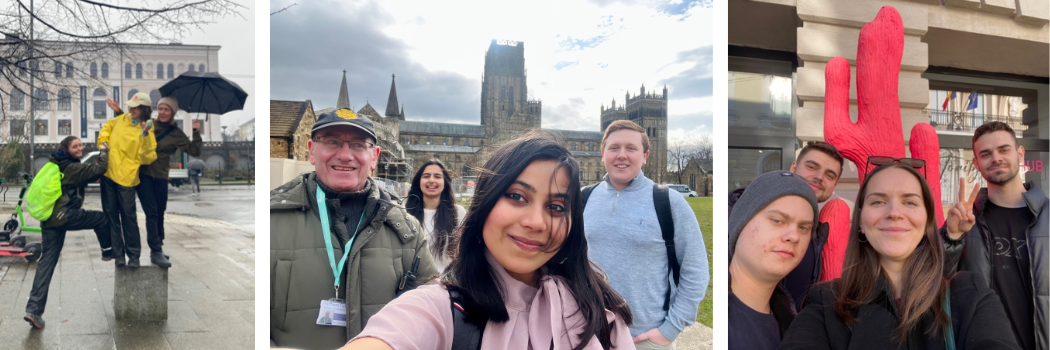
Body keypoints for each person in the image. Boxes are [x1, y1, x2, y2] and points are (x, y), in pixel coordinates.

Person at [341, 130, 634, 350]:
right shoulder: (437, 309)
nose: (535, 222)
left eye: (556, 207)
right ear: (484, 201)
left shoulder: (602, 314)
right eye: (517, 196)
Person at [780, 162, 1019, 349]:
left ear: (926, 220)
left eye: (910, 202)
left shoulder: (971, 297)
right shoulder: (824, 302)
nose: (894, 212)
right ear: (861, 222)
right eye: (878, 201)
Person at [270, 108, 439, 348]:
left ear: (374, 157)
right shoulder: (270, 220)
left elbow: (432, 312)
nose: (345, 155)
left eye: (359, 145)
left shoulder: (407, 229)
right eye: (332, 142)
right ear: (311, 151)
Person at [584, 120, 708, 349]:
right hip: (589, 333)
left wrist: (669, 330)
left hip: (644, 339)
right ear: (602, 154)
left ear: (645, 156)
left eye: (631, 148)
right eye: (614, 148)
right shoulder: (582, 199)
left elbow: (696, 270)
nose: (622, 155)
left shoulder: (669, 202)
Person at [943, 121, 1048, 350]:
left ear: (1020, 154)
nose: (996, 158)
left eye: (1004, 150)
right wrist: (951, 236)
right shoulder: (964, 220)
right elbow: (937, 279)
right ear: (977, 163)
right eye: (986, 154)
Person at [728, 141, 846, 309]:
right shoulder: (737, 214)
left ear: (834, 185)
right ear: (793, 167)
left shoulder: (820, 230)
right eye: (811, 167)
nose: (819, 177)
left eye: (829, 175)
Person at [24, 136, 111, 329]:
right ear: (67, 148)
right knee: (101, 219)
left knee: (46, 263)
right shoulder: (70, 168)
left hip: (49, 219)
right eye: (75, 146)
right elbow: (99, 169)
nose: (79, 148)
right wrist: (104, 151)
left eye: (80, 145)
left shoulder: (55, 163)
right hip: (65, 216)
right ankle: (108, 251)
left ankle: (33, 311)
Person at [108, 96, 202, 268]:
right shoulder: (149, 123)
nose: (163, 112)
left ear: (173, 112)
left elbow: (195, 150)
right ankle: (155, 250)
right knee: (151, 212)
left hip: (160, 175)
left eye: (167, 109)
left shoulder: (176, 133)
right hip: (143, 173)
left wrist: (196, 131)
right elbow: (130, 123)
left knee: (160, 211)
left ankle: (158, 245)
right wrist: (119, 112)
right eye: (161, 109)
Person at [727, 171, 817, 350]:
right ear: (741, 223)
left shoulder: (798, 329)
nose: (794, 236)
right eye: (777, 220)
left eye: (804, 228)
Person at [98, 92, 156, 268]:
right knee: (111, 215)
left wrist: (145, 136)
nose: (131, 109)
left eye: (135, 107)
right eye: (130, 106)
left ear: (144, 109)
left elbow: (148, 157)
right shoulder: (120, 119)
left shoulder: (147, 129)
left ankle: (134, 255)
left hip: (127, 177)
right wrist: (103, 142)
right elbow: (106, 128)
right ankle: (119, 254)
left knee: (129, 217)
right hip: (108, 173)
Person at [404, 159, 467, 270]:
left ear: (445, 182)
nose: (431, 180)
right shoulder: (403, 210)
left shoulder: (458, 213)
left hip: (446, 283)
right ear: (419, 181)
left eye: (437, 177)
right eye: (426, 176)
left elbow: (464, 252)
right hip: (411, 282)